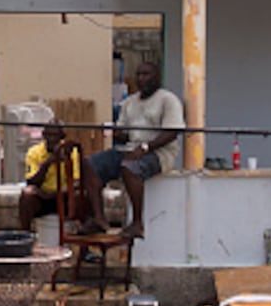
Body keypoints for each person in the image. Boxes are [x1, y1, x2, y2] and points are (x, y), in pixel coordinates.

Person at [82, 60, 184, 238]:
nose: (141, 78)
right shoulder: (129, 102)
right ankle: (99, 218)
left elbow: (173, 132)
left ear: (157, 77)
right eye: (138, 74)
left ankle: (137, 223)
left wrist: (145, 148)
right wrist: (114, 132)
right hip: (130, 148)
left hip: (159, 153)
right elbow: (126, 133)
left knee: (130, 167)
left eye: (146, 74)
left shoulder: (168, 100)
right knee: (90, 164)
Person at [18, 120, 82, 236]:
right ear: (43, 135)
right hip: (42, 197)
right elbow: (31, 181)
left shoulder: (71, 152)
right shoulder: (34, 152)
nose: (51, 139)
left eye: (55, 136)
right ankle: (25, 235)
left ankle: (80, 237)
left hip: (64, 197)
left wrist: (56, 194)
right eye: (49, 135)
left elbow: (77, 182)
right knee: (27, 195)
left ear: (62, 137)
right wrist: (47, 164)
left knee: (80, 195)